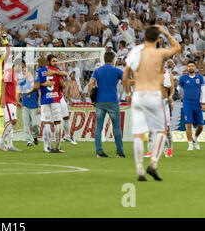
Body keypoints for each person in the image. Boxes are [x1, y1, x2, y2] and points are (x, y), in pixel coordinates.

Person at [123, 25, 181, 181]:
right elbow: (177, 47)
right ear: (157, 39)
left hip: (138, 95)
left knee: (138, 134)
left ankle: (140, 170)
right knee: (161, 131)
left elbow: (125, 77)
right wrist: (166, 33)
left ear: (143, 38)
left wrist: (128, 93)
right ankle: (153, 164)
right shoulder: (160, 53)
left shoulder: (135, 54)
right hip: (154, 95)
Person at [88, 51, 125, 158]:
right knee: (117, 127)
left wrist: (92, 98)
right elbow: (126, 81)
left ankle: (99, 151)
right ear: (113, 60)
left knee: (99, 127)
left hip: (100, 101)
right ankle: (119, 151)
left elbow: (90, 83)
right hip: (113, 101)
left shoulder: (98, 70)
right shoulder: (117, 70)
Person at [26, 54, 64, 153]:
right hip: (55, 98)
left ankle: (50, 147)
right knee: (57, 122)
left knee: (47, 123)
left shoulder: (39, 72)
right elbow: (62, 84)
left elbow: (37, 86)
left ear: (41, 63)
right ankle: (58, 147)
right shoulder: (56, 70)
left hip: (44, 99)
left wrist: (29, 91)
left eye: (38, 62)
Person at [178, 60, 205, 151]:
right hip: (187, 103)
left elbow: (203, 90)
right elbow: (179, 88)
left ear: (195, 67)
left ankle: (195, 138)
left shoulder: (200, 77)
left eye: (192, 66)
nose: (190, 67)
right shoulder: (183, 78)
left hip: (197, 103)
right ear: (187, 67)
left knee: (201, 126)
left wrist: (203, 102)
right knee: (188, 124)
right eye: (189, 66)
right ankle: (190, 144)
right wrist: (181, 96)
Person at [0, 57, 22, 152]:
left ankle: (10, 145)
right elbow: (3, 84)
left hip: (12, 101)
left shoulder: (14, 74)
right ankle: (1, 141)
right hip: (7, 101)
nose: (21, 69)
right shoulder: (8, 72)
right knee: (13, 121)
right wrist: (3, 99)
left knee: (10, 123)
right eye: (21, 67)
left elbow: (12, 89)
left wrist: (16, 101)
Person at [18, 65, 40, 147]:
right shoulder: (22, 82)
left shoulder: (36, 82)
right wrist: (18, 101)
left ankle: (35, 136)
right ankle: (28, 141)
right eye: (23, 71)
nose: (23, 72)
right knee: (26, 124)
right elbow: (19, 93)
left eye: (25, 71)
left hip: (34, 106)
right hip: (25, 106)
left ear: (30, 72)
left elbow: (40, 94)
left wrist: (39, 106)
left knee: (36, 125)